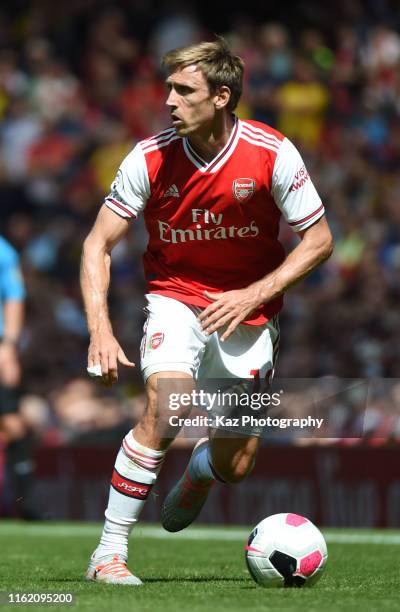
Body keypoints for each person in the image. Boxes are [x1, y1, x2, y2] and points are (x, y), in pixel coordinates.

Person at [81, 37, 333, 585]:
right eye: (169, 87)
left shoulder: (271, 152)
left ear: (221, 97)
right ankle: (108, 553)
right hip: (175, 296)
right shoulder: (149, 157)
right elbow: (96, 244)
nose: (168, 100)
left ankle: (200, 468)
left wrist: (254, 294)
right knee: (168, 403)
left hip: (250, 312)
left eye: (183, 89)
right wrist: (99, 328)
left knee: (235, 466)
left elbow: (319, 240)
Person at [0, 235, 37, 519]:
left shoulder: (3, 250)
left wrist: (9, 347)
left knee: (12, 422)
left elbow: (14, 297)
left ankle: (28, 503)